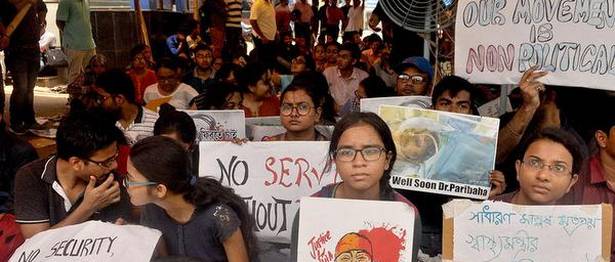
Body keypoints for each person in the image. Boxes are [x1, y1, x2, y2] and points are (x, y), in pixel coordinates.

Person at [290, 112, 421, 261]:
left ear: (387, 160)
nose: (359, 162)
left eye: (371, 151)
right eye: (346, 152)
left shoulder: (406, 214)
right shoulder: (309, 212)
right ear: (335, 160)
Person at [126, 136, 255, 260]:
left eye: (130, 179)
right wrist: (130, 234)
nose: (125, 184)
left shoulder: (220, 217)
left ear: (160, 190)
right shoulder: (151, 211)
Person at [14, 109, 133, 239]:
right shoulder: (31, 177)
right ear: (76, 163)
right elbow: (35, 243)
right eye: (106, 162)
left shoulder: (111, 182)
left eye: (115, 157)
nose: (115, 165)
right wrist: (88, 208)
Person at [492, 128, 582, 205]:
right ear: (518, 168)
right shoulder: (484, 210)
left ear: (571, 182)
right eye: (534, 163)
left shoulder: (578, 224)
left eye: (558, 168)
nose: (543, 176)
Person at [1, 0, 47, 134]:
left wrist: (41, 23)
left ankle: (29, 120)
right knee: (21, 86)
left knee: (30, 88)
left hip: (33, 47)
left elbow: (42, 8)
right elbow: (7, 13)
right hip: (16, 48)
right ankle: (16, 121)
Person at [94, 69, 159, 145]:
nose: (97, 102)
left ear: (119, 99)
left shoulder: (154, 122)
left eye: (101, 98)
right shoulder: (100, 123)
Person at [264, 75, 336, 141]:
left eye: (303, 107)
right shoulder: (269, 146)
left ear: (317, 114)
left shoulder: (329, 148)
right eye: (287, 107)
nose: (294, 114)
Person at [56, 0, 95, 84]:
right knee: (75, 75)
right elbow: (59, 22)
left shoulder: (85, 2)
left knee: (92, 73)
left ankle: (88, 96)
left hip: (89, 43)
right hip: (74, 45)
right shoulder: (66, 2)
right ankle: (74, 96)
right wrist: (71, 35)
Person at [323, 42, 368, 111]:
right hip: (332, 116)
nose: (339, 60)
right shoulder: (328, 73)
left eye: (344, 57)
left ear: (353, 61)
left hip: (355, 117)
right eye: (339, 56)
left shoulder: (363, 76)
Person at [250, 0, 277, 68]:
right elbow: (252, 21)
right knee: (262, 63)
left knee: (270, 62)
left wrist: (276, 32)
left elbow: (270, 20)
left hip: (271, 38)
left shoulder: (270, 4)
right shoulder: (258, 4)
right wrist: (262, 36)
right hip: (262, 39)